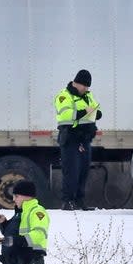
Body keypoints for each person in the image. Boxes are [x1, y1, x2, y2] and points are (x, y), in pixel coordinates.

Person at [55, 69, 102, 210]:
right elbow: (65, 115)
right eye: (84, 86)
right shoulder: (64, 96)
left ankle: (80, 200)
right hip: (71, 138)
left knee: (83, 171)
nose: (86, 89)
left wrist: (96, 113)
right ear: (76, 83)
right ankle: (67, 201)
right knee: (71, 171)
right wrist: (85, 112)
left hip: (85, 138)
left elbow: (96, 110)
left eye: (88, 87)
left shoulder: (88, 95)